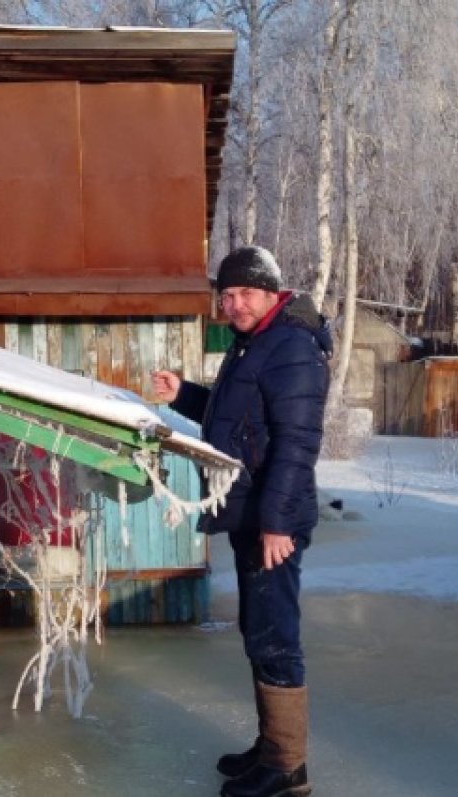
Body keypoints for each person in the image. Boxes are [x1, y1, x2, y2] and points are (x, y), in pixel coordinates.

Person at [151, 245, 331, 797]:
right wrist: (183, 394)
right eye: (226, 296)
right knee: (258, 630)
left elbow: (297, 445)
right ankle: (270, 747)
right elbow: (233, 418)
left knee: (275, 634)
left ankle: (288, 768)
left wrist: (277, 523)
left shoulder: (291, 349)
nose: (234, 304)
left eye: (245, 293)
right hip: (253, 512)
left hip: (272, 518)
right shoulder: (254, 345)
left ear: (272, 293)